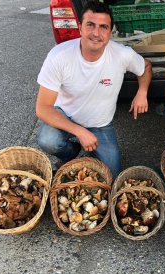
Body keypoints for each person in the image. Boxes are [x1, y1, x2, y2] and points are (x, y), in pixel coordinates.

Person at [35, 1, 152, 178]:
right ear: (80, 27)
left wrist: (142, 92)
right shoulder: (58, 56)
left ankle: (89, 145)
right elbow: (43, 108)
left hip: (100, 124)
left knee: (112, 176)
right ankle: (71, 153)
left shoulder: (122, 54)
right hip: (66, 114)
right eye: (90, 25)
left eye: (103, 27)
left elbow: (146, 67)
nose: (96, 33)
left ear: (110, 33)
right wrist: (80, 132)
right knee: (48, 140)